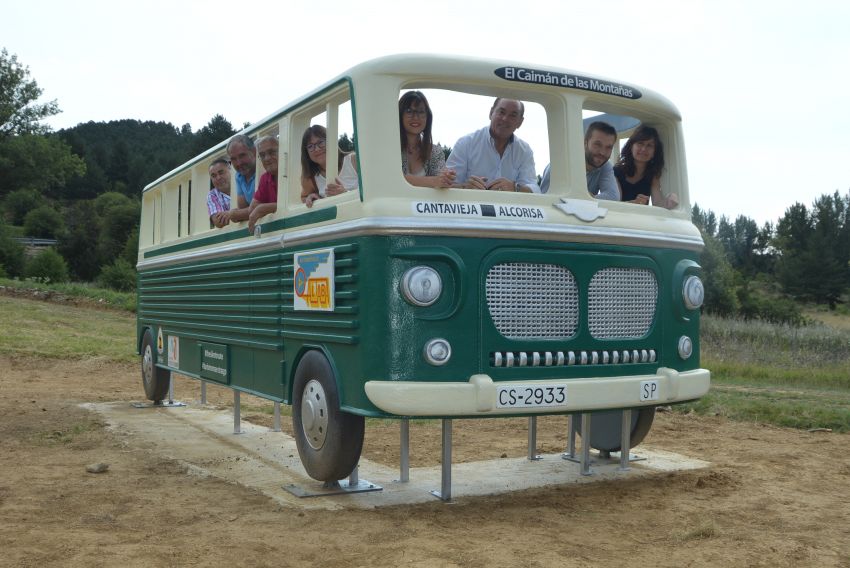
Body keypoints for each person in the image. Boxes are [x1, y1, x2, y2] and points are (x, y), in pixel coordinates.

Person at [445, 98, 539, 193]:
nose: (505, 119)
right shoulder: (465, 143)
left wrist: (515, 188)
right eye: (501, 112)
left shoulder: (525, 151)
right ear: (491, 113)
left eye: (512, 116)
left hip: (507, 207)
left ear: (520, 122)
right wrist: (465, 187)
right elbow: (445, 185)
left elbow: (534, 189)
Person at [539, 121, 620, 200]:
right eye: (597, 144)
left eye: (608, 147)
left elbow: (613, 197)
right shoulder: (562, 164)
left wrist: (587, 198)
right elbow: (545, 199)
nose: (602, 152)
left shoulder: (605, 166)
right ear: (585, 143)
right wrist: (586, 197)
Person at [398, 90, 455, 188]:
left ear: (427, 118)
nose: (415, 117)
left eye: (421, 112)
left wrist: (448, 178)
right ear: (399, 115)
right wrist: (432, 181)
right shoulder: (389, 148)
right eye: (409, 111)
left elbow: (442, 184)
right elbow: (388, 178)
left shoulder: (436, 152)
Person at [614, 125, 678, 209]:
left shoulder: (653, 175)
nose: (644, 149)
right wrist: (632, 203)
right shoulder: (616, 171)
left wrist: (669, 201)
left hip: (641, 221)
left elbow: (657, 203)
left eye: (649, 145)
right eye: (640, 143)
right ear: (631, 146)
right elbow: (614, 203)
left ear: (654, 152)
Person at [300, 125, 359, 208]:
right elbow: (304, 197)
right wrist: (311, 198)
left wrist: (345, 194)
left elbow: (373, 190)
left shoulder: (353, 160)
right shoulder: (311, 177)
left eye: (321, 142)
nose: (316, 149)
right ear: (306, 152)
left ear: (331, 141)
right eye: (310, 146)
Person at [247, 136, 279, 233]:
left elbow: (298, 203)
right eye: (262, 155)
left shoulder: (296, 171)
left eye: (272, 152)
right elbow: (253, 208)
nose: (267, 158)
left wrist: (265, 208)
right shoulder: (265, 178)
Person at [226, 134, 257, 222]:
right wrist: (236, 214)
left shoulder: (263, 170)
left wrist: (232, 214)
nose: (239, 163)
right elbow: (243, 209)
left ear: (254, 151)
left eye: (242, 156)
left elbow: (263, 206)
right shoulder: (239, 176)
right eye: (233, 159)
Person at [207, 158, 232, 228]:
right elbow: (218, 222)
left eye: (221, 173)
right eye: (214, 176)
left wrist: (229, 214)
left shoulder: (242, 182)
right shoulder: (212, 195)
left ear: (231, 171)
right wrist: (242, 213)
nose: (218, 178)